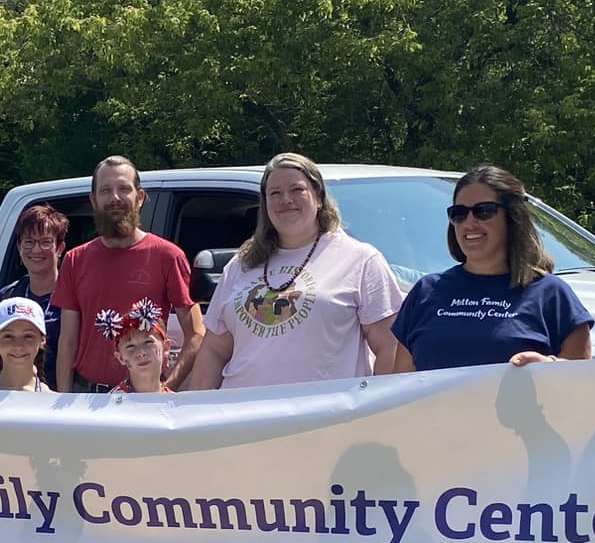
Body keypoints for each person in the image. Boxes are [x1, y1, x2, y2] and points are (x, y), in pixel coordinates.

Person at [187, 152, 403, 390]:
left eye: (297, 190)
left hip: (325, 418)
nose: (285, 200)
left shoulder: (359, 260)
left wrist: (374, 411)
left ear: (319, 197)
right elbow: (214, 351)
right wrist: (196, 414)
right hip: (243, 417)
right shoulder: (241, 264)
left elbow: (389, 347)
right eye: (275, 193)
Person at [390, 165, 595, 372]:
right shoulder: (426, 291)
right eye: (459, 214)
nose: (469, 223)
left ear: (513, 217)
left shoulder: (552, 295)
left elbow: (581, 382)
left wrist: (549, 367)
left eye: (484, 211)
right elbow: (399, 387)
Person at [53, 156, 205, 392]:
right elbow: (68, 341)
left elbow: (196, 334)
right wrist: (63, 400)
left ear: (140, 197)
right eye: (105, 190)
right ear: (93, 200)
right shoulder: (75, 260)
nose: (115, 198)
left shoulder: (168, 256)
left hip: (145, 402)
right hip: (86, 397)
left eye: (124, 188)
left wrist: (164, 389)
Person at [0, 203, 67, 386]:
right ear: (19, 247)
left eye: (45, 242)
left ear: (59, 248)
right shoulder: (7, 296)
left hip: (59, 399)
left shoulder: (74, 296)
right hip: (12, 397)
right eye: (29, 242)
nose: (36, 250)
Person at [0, 297, 54, 391]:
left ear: (42, 340)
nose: (18, 346)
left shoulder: (49, 400)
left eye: (28, 336)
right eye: (8, 336)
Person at [111, 310, 170, 394]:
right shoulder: (113, 404)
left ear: (166, 347)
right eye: (130, 346)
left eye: (148, 342)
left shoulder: (174, 403)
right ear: (120, 357)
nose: (141, 353)